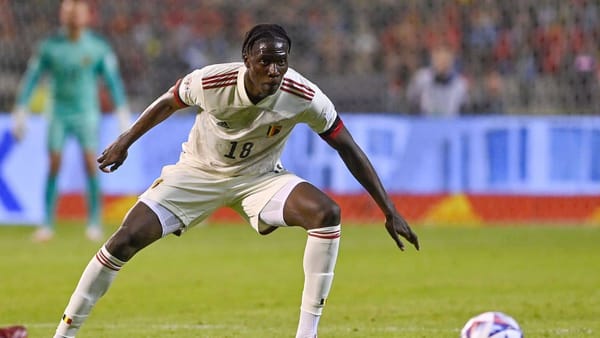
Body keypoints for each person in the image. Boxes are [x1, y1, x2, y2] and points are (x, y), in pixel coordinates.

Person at [53, 24, 419, 338]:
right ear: (246, 58)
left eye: (281, 61)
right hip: (197, 173)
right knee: (125, 239)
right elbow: (168, 101)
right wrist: (124, 141)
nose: (274, 70)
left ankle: (307, 334)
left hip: (259, 180)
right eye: (265, 61)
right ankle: (64, 332)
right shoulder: (213, 81)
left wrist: (389, 210)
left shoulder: (304, 95)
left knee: (327, 213)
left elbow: (348, 147)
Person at [11, 0, 131, 242]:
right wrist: (21, 109)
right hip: (58, 112)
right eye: (68, 11)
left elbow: (112, 81)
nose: (72, 16)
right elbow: (32, 78)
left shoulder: (97, 47)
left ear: (87, 16)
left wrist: (121, 110)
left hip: (87, 113)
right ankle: (47, 223)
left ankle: (94, 222)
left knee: (91, 162)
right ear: (62, 15)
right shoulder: (49, 47)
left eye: (77, 12)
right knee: (55, 163)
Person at [406, 44, 468, 116]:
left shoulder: (460, 83)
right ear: (433, 60)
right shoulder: (421, 78)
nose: (442, 63)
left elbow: (463, 110)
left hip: (451, 124)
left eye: (446, 59)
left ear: (452, 61)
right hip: (425, 123)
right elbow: (412, 102)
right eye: (439, 59)